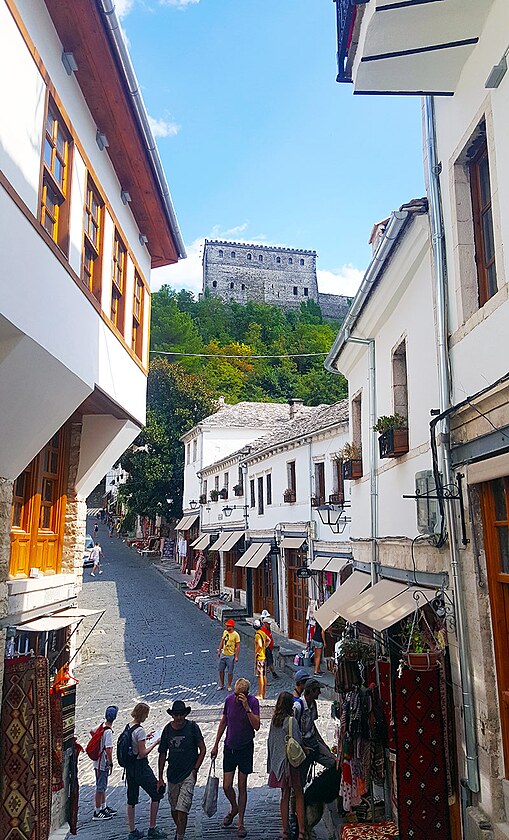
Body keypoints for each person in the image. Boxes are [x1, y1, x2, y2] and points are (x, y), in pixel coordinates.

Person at [211, 678, 260, 839]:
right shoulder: (228, 700)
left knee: (242, 785)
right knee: (226, 785)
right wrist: (216, 743)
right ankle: (234, 807)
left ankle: (240, 822)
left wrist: (247, 707)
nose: (237, 697)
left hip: (246, 747)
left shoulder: (253, 702)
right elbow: (224, 720)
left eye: (240, 695)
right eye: (236, 694)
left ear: (246, 693)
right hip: (230, 746)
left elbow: (257, 726)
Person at [158, 700, 206, 840]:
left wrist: (195, 769)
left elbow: (202, 749)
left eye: (181, 715)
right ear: (172, 715)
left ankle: (180, 836)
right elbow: (162, 753)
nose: (178, 718)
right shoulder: (167, 730)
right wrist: (160, 777)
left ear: (185, 715)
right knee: (174, 809)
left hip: (188, 774)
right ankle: (180, 830)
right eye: (176, 715)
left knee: (182, 808)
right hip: (172, 774)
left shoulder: (192, 727)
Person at [125, 702, 166, 840]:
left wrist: (146, 737)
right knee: (157, 792)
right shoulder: (140, 730)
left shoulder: (129, 726)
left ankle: (132, 831)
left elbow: (133, 743)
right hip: (140, 767)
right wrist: (155, 743)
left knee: (131, 799)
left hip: (129, 768)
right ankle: (152, 828)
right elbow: (142, 753)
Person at [267, 692, 305, 840]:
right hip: (291, 763)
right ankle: (301, 830)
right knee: (299, 794)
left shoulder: (274, 721)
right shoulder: (291, 721)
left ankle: (284, 830)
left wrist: (272, 764)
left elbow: (270, 742)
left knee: (284, 796)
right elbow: (297, 741)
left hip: (279, 764)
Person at [293, 680, 336, 780]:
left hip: (312, 741)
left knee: (333, 762)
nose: (319, 693)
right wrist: (302, 747)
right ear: (311, 691)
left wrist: (323, 744)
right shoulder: (298, 706)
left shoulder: (313, 704)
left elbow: (312, 725)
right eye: (317, 690)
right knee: (301, 776)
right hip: (302, 744)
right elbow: (293, 730)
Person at [91, 705, 119, 820]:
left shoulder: (101, 726)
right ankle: (97, 812)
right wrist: (111, 763)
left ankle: (103, 807)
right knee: (100, 787)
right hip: (102, 763)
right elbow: (108, 749)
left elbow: (91, 731)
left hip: (97, 761)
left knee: (103, 786)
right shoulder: (108, 732)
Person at [218, 619, 241, 692]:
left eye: (228, 626)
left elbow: (238, 646)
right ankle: (221, 684)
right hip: (223, 654)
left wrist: (236, 656)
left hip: (231, 655)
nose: (226, 627)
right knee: (221, 670)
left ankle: (229, 685)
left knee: (230, 672)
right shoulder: (225, 632)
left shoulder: (236, 635)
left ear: (232, 627)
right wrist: (219, 650)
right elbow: (222, 641)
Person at [260, 612, 279, 681]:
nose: (269, 625)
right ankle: (265, 680)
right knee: (265, 665)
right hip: (265, 649)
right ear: (265, 623)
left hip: (269, 649)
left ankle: (273, 673)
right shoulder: (262, 631)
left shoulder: (268, 629)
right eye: (268, 624)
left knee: (270, 662)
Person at [253, 618, 267, 700]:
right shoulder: (263, 633)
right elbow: (268, 640)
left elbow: (260, 644)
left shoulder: (258, 635)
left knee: (260, 675)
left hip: (260, 657)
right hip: (264, 656)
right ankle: (264, 693)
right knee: (264, 675)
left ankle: (260, 694)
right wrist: (265, 647)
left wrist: (256, 651)